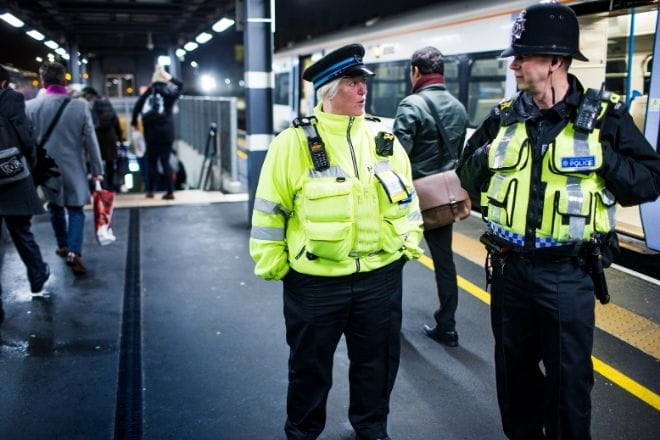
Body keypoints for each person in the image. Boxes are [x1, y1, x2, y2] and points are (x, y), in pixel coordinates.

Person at [456, 3, 660, 439]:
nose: (513, 65)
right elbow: (465, 176)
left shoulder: (604, 119)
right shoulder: (504, 115)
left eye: (523, 56)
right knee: (515, 377)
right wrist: (487, 156)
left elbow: (648, 181)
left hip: (568, 274)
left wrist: (603, 159)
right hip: (509, 270)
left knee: (569, 382)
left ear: (556, 62)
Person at [249, 44, 423, 440]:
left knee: (377, 364)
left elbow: (407, 197)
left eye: (363, 82)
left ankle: (371, 428)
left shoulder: (384, 137)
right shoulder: (291, 144)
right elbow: (269, 210)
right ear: (328, 91)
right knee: (309, 367)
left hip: (379, 276)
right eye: (352, 83)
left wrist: (408, 243)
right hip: (315, 281)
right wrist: (275, 264)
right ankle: (303, 431)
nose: (363, 90)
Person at [393, 46, 468, 347]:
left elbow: (397, 158)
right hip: (442, 201)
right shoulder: (459, 108)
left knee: (393, 260)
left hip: (411, 199)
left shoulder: (411, 105)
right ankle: (447, 327)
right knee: (445, 262)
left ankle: (390, 324)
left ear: (416, 71)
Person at [26, 62, 104, 276]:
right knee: (76, 209)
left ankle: (62, 245)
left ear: (43, 81)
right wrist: (97, 168)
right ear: (65, 80)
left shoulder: (30, 107)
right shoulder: (80, 106)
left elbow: (27, 142)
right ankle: (74, 251)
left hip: (45, 169)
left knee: (55, 206)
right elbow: (91, 140)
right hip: (74, 167)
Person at [0, 66, 51, 324]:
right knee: (21, 232)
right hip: (11, 176)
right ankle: (37, 277)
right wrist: (29, 166)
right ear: (3, 82)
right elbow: (25, 135)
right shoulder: (12, 99)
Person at [130, 65, 183, 200]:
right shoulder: (169, 92)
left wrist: (135, 123)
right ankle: (170, 191)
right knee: (165, 161)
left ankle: (150, 191)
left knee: (152, 162)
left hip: (151, 133)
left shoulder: (148, 93)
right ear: (164, 80)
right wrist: (170, 77)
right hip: (166, 132)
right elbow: (181, 86)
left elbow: (137, 108)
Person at [82, 86, 123, 191]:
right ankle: (110, 186)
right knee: (110, 162)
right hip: (110, 135)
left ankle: (96, 187)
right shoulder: (106, 101)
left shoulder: (91, 103)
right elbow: (115, 119)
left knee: (95, 160)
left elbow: (89, 122)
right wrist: (120, 136)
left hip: (97, 135)